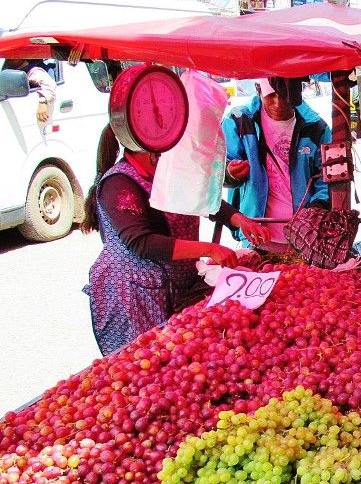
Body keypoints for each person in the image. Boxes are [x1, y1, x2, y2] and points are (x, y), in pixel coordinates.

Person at [82, 126, 268, 356]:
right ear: (151, 148)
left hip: (172, 285)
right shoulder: (118, 184)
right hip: (133, 297)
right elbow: (142, 242)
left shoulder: (166, 172)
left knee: (177, 355)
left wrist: (241, 220)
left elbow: (204, 200)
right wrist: (210, 249)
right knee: (145, 363)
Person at [222, 76, 331, 243]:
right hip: (255, 237)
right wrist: (231, 173)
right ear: (258, 89)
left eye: (285, 96)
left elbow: (326, 180)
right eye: (270, 96)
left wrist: (314, 212)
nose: (278, 103)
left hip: (306, 239)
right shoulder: (239, 121)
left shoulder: (317, 128)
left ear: (298, 93)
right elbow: (218, 174)